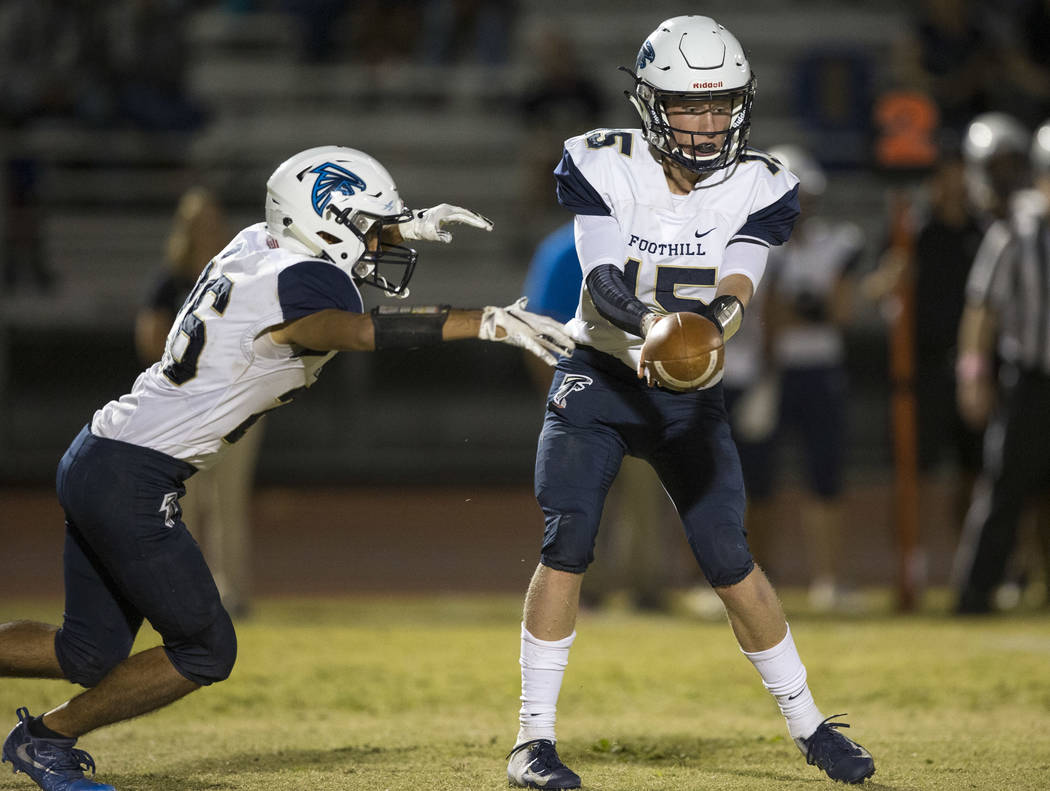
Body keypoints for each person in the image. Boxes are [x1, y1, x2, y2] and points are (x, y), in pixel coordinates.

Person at [0, 144, 574, 791]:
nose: (383, 243)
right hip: (131, 474)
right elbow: (345, 330)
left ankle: (45, 738)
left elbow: (300, 278)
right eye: (372, 228)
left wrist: (397, 222)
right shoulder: (312, 279)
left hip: (99, 449)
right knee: (205, 649)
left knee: (88, 650)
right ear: (324, 222)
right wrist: (482, 320)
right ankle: (46, 739)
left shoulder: (255, 243)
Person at [505, 16, 876, 790]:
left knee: (729, 559)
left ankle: (810, 723)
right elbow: (604, 279)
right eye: (688, 106)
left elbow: (739, 282)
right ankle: (531, 740)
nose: (708, 124)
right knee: (567, 536)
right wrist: (651, 327)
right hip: (601, 373)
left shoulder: (761, 183)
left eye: (720, 105)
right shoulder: (604, 163)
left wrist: (706, 329)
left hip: (687, 389)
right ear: (649, 103)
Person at [135, 186, 258, 618]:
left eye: (213, 222)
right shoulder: (170, 281)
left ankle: (231, 594)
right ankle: (179, 590)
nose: (208, 231)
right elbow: (149, 337)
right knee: (180, 501)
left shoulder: (237, 274)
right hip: (183, 407)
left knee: (229, 502)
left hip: (235, 404)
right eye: (199, 223)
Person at [759, 144, 865, 610]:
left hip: (818, 371)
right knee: (756, 481)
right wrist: (811, 309)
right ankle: (757, 580)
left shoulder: (837, 242)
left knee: (826, 477)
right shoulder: (755, 247)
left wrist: (802, 311)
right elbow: (772, 317)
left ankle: (829, 579)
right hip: (768, 373)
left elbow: (840, 313)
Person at [952, 119, 1050, 614]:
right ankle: (976, 593)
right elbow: (981, 309)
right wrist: (973, 375)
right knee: (1004, 487)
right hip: (1030, 380)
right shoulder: (1015, 230)